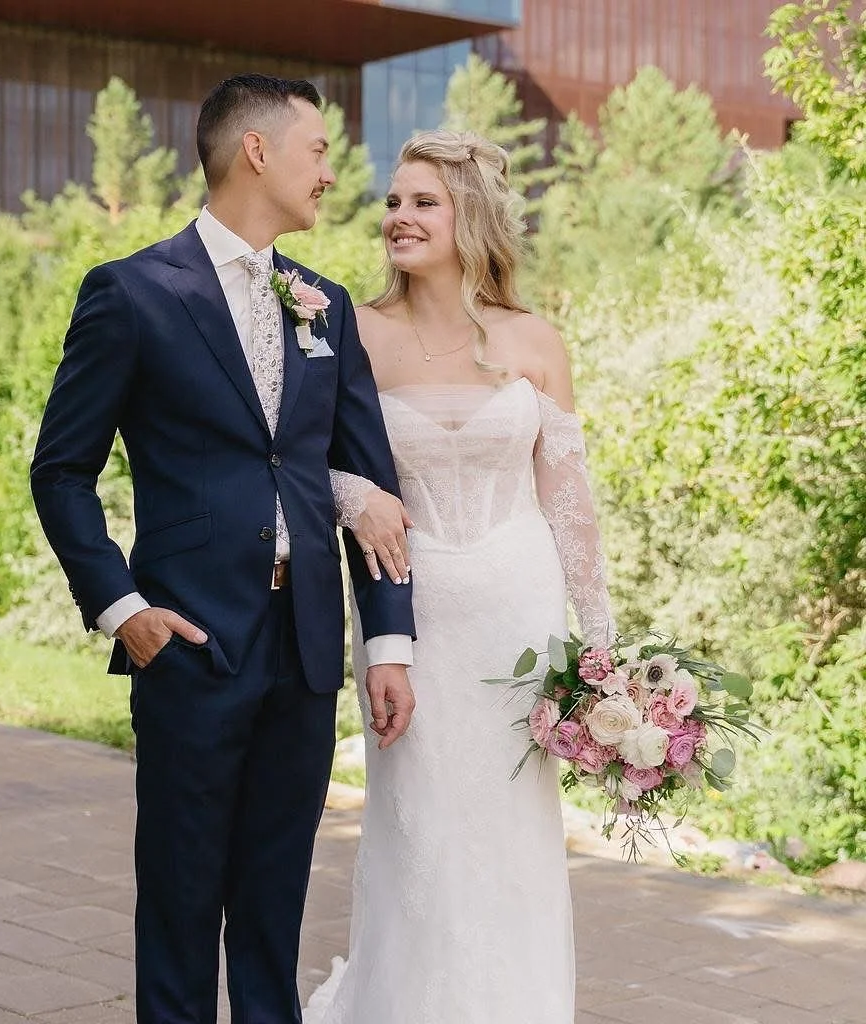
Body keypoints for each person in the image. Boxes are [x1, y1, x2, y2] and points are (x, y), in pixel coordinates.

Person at [29, 74, 417, 1024]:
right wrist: (125, 610)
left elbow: (367, 485)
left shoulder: (323, 302)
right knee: (179, 898)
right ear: (257, 151)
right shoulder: (130, 293)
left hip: (302, 645)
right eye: (319, 150)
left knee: (274, 906)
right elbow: (61, 469)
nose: (332, 172)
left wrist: (389, 644)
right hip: (190, 641)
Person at [304, 130, 616, 1023]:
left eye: (422, 202)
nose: (398, 217)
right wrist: (350, 494)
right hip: (413, 611)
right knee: (425, 830)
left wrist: (602, 656)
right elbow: (300, 463)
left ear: (469, 215)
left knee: (516, 832)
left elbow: (571, 507)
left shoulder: (534, 340)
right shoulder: (351, 332)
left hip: (521, 615)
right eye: (392, 202)